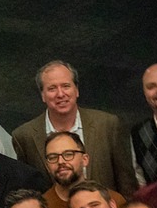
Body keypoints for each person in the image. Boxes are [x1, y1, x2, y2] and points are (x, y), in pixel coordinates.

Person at [11, 60, 136, 191]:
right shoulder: (24, 136)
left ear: (76, 90)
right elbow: (28, 190)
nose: (60, 94)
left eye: (66, 86)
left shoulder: (107, 125)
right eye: (52, 88)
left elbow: (126, 181)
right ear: (43, 95)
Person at [37, 130, 125, 208]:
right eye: (53, 157)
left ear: (85, 159)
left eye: (68, 154)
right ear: (47, 166)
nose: (60, 162)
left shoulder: (113, 200)